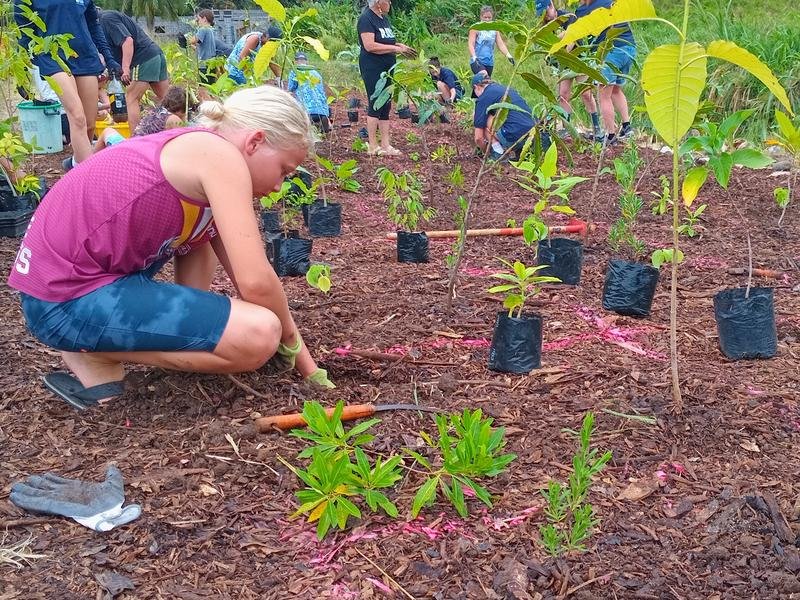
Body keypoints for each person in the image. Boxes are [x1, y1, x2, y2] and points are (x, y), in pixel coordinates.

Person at [7, 85, 335, 411]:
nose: (279, 185)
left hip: (58, 288)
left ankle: (97, 347)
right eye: (283, 170)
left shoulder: (194, 151)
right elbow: (257, 282)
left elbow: (241, 276)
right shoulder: (220, 157)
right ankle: (93, 351)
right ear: (255, 141)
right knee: (260, 335)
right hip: (62, 298)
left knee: (202, 235)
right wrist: (303, 362)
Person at [13, 0, 122, 172]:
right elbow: (24, 33)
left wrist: (109, 58)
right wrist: (23, 72)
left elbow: (93, 25)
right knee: (77, 117)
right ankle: (88, 180)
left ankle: (75, 165)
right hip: (52, 56)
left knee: (89, 124)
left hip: (84, 56)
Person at [357, 0, 416, 157]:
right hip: (372, 67)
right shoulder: (366, 19)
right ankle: (373, 145)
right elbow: (370, 45)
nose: (390, 2)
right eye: (387, 0)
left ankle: (385, 144)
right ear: (377, 2)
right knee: (375, 103)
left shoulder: (384, 19)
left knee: (386, 105)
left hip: (388, 68)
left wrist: (400, 46)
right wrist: (395, 49)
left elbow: (385, 41)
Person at [573, 0, 636, 144]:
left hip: (611, 52)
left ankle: (610, 135)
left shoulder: (583, 10)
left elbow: (577, 37)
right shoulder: (611, 1)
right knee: (616, 91)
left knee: (604, 95)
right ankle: (627, 127)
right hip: (629, 48)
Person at [99, 9, 169, 134]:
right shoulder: (104, 22)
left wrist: (125, 69)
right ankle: (180, 129)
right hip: (155, 55)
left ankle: (135, 137)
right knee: (167, 100)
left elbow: (127, 41)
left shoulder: (106, 19)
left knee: (131, 99)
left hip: (142, 59)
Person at [544, 1, 602, 141]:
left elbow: (570, 40)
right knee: (563, 94)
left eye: (546, 12)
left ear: (551, 6)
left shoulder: (569, 17)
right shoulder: (547, 26)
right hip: (563, 64)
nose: (545, 17)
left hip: (578, 59)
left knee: (586, 93)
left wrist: (560, 53)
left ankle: (597, 128)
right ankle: (566, 128)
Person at [472, 71, 546, 159]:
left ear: (476, 87)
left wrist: (485, 152)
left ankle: (498, 153)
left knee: (481, 118)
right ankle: (522, 151)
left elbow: (478, 138)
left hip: (514, 136)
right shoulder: (506, 89)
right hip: (534, 132)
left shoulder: (484, 97)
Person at [94, 86, 191, 152]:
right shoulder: (174, 120)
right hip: (140, 154)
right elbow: (183, 145)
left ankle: (88, 163)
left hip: (130, 146)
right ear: (183, 108)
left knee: (108, 131)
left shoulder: (156, 111)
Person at [287, 52, 331, 134]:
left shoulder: (295, 71)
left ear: (295, 62)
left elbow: (290, 89)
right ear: (306, 62)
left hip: (306, 111)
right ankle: (325, 121)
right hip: (322, 111)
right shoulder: (316, 72)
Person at [467, 5, 514, 77]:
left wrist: (508, 55)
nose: (487, 19)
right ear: (481, 17)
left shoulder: (494, 29)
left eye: (489, 17)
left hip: (489, 62)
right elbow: (471, 44)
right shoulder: (475, 28)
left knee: (486, 85)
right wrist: (474, 57)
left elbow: (500, 44)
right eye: (485, 17)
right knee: (484, 77)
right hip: (477, 60)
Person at [189, 9, 218, 92]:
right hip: (212, 63)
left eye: (198, 19)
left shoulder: (203, 29)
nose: (198, 21)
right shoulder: (211, 30)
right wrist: (193, 47)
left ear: (204, 19)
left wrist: (187, 39)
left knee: (204, 88)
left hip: (204, 64)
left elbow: (193, 40)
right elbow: (205, 47)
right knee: (211, 87)